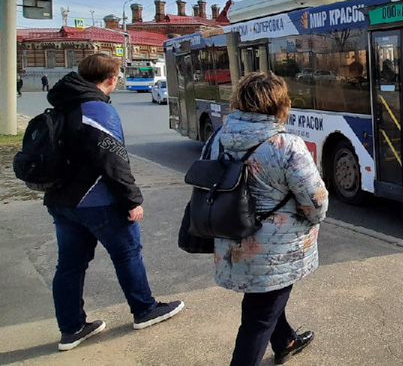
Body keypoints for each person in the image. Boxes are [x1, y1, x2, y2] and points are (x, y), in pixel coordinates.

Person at [45, 53, 184, 351]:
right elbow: (113, 159)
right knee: (127, 254)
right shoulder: (97, 109)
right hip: (97, 200)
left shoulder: (63, 103)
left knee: (69, 266)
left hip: (60, 199)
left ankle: (71, 328)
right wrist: (131, 200)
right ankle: (144, 309)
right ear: (112, 78)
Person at [211, 72, 327, 366]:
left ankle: (285, 340)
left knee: (265, 298)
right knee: (259, 317)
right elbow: (316, 202)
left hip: (230, 236)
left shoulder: (218, 138)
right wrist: (312, 219)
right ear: (280, 104)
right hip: (275, 249)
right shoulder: (286, 145)